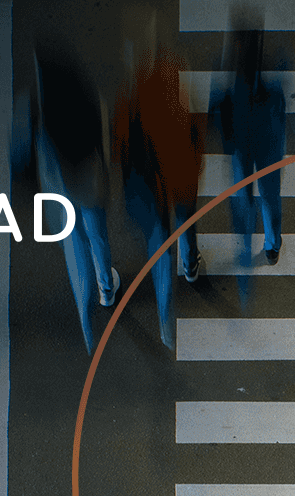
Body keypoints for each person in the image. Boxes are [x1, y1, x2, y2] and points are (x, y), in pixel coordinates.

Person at [113, 13, 207, 350]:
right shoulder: (177, 73)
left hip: (150, 189)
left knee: (159, 252)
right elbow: (197, 118)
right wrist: (197, 155)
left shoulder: (129, 97)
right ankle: (192, 263)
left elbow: (118, 150)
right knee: (187, 223)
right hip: (180, 174)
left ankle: (166, 318)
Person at [32, 47, 119, 354]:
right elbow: (104, 145)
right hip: (90, 184)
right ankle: (106, 287)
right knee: (98, 237)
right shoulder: (88, 100)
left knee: (76, 245)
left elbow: (34, 160)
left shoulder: (43, 117)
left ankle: (86, 316)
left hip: (62, 192)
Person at [209, 21, 287, 308]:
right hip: (268, 149)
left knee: (244, 199)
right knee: (270, 198)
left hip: (242, 149)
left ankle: (246, 248)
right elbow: (282, 115)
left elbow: (216, 119)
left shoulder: (229, 87)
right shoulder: (271, 84)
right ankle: (272, 246)